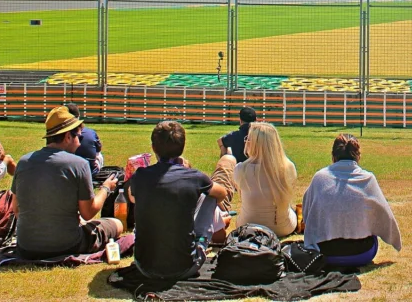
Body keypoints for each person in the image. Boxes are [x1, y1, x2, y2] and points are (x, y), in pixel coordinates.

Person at [10, 106, 122, 259]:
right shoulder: (79, 164)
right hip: (67, 244)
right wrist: (106, 188)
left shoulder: (23, 162)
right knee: (116, 224)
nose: (79, 143)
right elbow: (88, 213)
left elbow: (16, 209)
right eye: (79, 138)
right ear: (68, 137)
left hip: (26, 246)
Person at [128, 121, 231, 279]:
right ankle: (204, 235)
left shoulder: (140, 176)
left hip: (144, 266)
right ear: (182, 148)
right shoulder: (195, 178)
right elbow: (221, 193)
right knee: (210, 197)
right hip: (185, 266)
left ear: (153, 147)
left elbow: (132, 197)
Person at [302, 134, 402, 267]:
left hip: (325, 252)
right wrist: (394, 240)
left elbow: (307, 212)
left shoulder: (319, 178)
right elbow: (385, 215)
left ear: (333, 156)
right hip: (362, 252)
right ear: (358, 156)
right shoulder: (368, 179)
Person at [233, 122, 298, 237]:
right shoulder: (288, 167)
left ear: (254, 144)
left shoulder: (240, 169)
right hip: (282, 228)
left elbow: (242, 197)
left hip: (248, 227)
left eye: (248, 138)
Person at [65, 102, 103, 173]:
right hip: (88, 172)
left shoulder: (59, 134)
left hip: (66, 171)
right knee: (98, 155)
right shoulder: (90, 132)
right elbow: (98, 150)